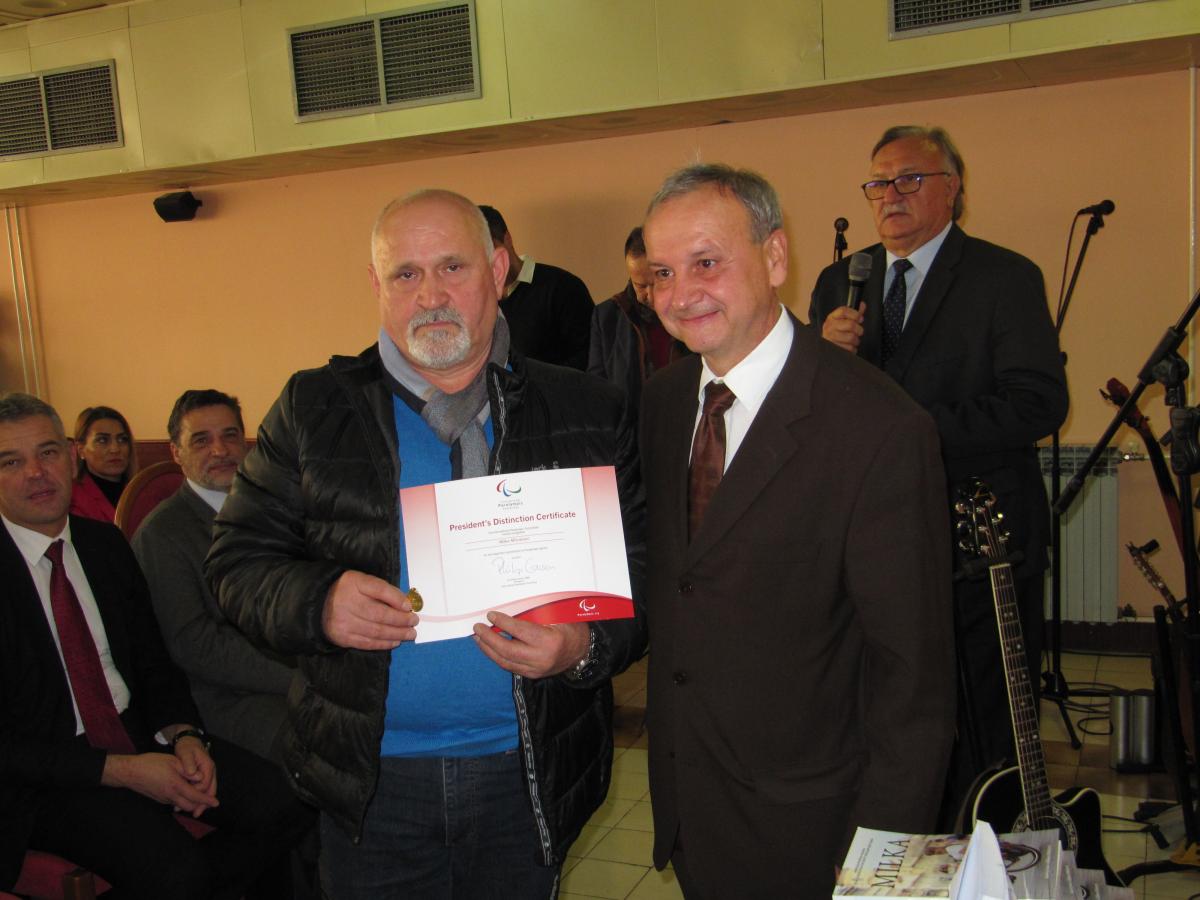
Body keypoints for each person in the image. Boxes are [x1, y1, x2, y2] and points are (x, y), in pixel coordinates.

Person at [207, 189, 645, 899]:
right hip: (374, 783)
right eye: (405, 274)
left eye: (453, 268)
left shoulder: (585, 408)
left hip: (526, 774)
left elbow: (647, 570)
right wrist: (318, 602)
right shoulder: (314, 409)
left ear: (500, 270)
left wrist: (583, 647)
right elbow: (233, 564)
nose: (430, 296)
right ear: (377, 286)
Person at [639, 163, 955, 899]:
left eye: (707, 263)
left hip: (814, 828)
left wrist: (881, 870)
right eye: (661, 273)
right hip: (693, 807)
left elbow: (915, 685)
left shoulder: (878, 428)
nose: (680, 296)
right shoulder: (662, 402)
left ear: (776, 257)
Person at [808, 125, 1069, 823]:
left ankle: (999, 850)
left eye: (908, 179)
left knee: (988, 714)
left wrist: (912, 432)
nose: (889, 196)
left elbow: (1039, 402)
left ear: (952, 187)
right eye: (877, 183)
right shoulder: (842, 280)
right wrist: (819, 360)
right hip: (871, 540)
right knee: (892, 706)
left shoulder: (1004, 277)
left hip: (980, 532)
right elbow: (811, 414)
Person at [0, 392, 312, 900]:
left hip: (139, 734)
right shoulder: (158, 534)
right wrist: (123, 772)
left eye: (48, 452)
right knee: (174, 869)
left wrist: (187, 736)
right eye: (11, 461)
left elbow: (154, 664)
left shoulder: (104, 546)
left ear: (72, 457)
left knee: (284, 804)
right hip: (45, 778)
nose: (36, 473)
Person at [132, 389, 296, 764]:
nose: (220, 450)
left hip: (297, 672)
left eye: (230, 435)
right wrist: (296, 679)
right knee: (334, 747)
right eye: (201, 440)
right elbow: (195, 645)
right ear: (176, 452)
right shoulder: (162, 534)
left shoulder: (277, 509)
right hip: (226, 698)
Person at [587, 226, 688, 420]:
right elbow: (596, 386)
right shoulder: (607, 316)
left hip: (683, 421)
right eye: (640, 285)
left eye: (657, 281)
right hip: (631, 431)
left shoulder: (688, 310)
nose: (650, 295)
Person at [478, 203, 594, 370]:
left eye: (491, 250)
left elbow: (588, 360)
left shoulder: (563, 288)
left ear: (507, 239)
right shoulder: (475, 300)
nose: (487, 263)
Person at [70, 405, 136, 522]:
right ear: (81, 450)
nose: (115, 449)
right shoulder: (73, 499)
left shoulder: (141, 489)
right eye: (102, 440)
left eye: (122, 439)